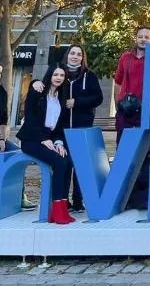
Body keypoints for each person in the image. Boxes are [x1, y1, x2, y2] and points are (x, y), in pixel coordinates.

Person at [31, 44, 103, 212]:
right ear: (67, 55)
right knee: (64, 164)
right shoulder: (59, 73)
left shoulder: (89, 76)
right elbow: (44, 84)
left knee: (80, 166)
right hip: (61, 130)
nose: (75, 56)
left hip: (81, 128)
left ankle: (78, 201)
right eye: (72, 53)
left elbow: (98, 98)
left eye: (79, 54)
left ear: (82, 57)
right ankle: (63, 200)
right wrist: (34, 82)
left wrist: (77, 103)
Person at [16, 64, 75, 224]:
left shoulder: (60, 98)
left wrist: (58, 142)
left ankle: (62, 207)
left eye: (62, 75)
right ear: (50, 75)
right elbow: (30, 117)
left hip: (49, 139)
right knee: (59, 162)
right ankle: (56, 211)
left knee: (67, 161)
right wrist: (43, 139)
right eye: (56, 74)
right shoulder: (38, 90)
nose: (58, 78)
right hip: (31, 140)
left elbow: (59, 126)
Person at [0, 64, 37, 211]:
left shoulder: (2, 92)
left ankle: (20, 196)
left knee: (17, 155)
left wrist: (2, 139)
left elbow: (3, 118)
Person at [113, 26, 150, 143]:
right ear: (135, 39)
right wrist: (118, 104)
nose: (143, 39)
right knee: (122, 144)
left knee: (144, 147)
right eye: (140, 37)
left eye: (147, 37)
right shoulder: (125, 57)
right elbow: (118, 82)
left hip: (145, 110)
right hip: (125, 108)